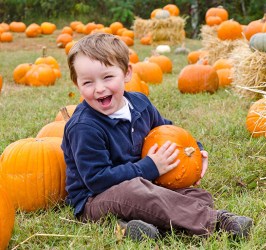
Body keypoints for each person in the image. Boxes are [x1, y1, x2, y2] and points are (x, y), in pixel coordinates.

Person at [61, 32, 253, 241]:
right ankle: (217, 222)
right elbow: (98, 180)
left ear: (126, 73)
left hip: (146, 186)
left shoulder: (140, 104)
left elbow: (167, 131)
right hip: (95, 200)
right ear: (77, 84)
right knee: (136, 192)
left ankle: (134, 228)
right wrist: (150, 167)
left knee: (197, 195)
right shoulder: (84, 127)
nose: (99, 88)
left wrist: (194, 150)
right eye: (88, 82)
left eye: (108, 77)